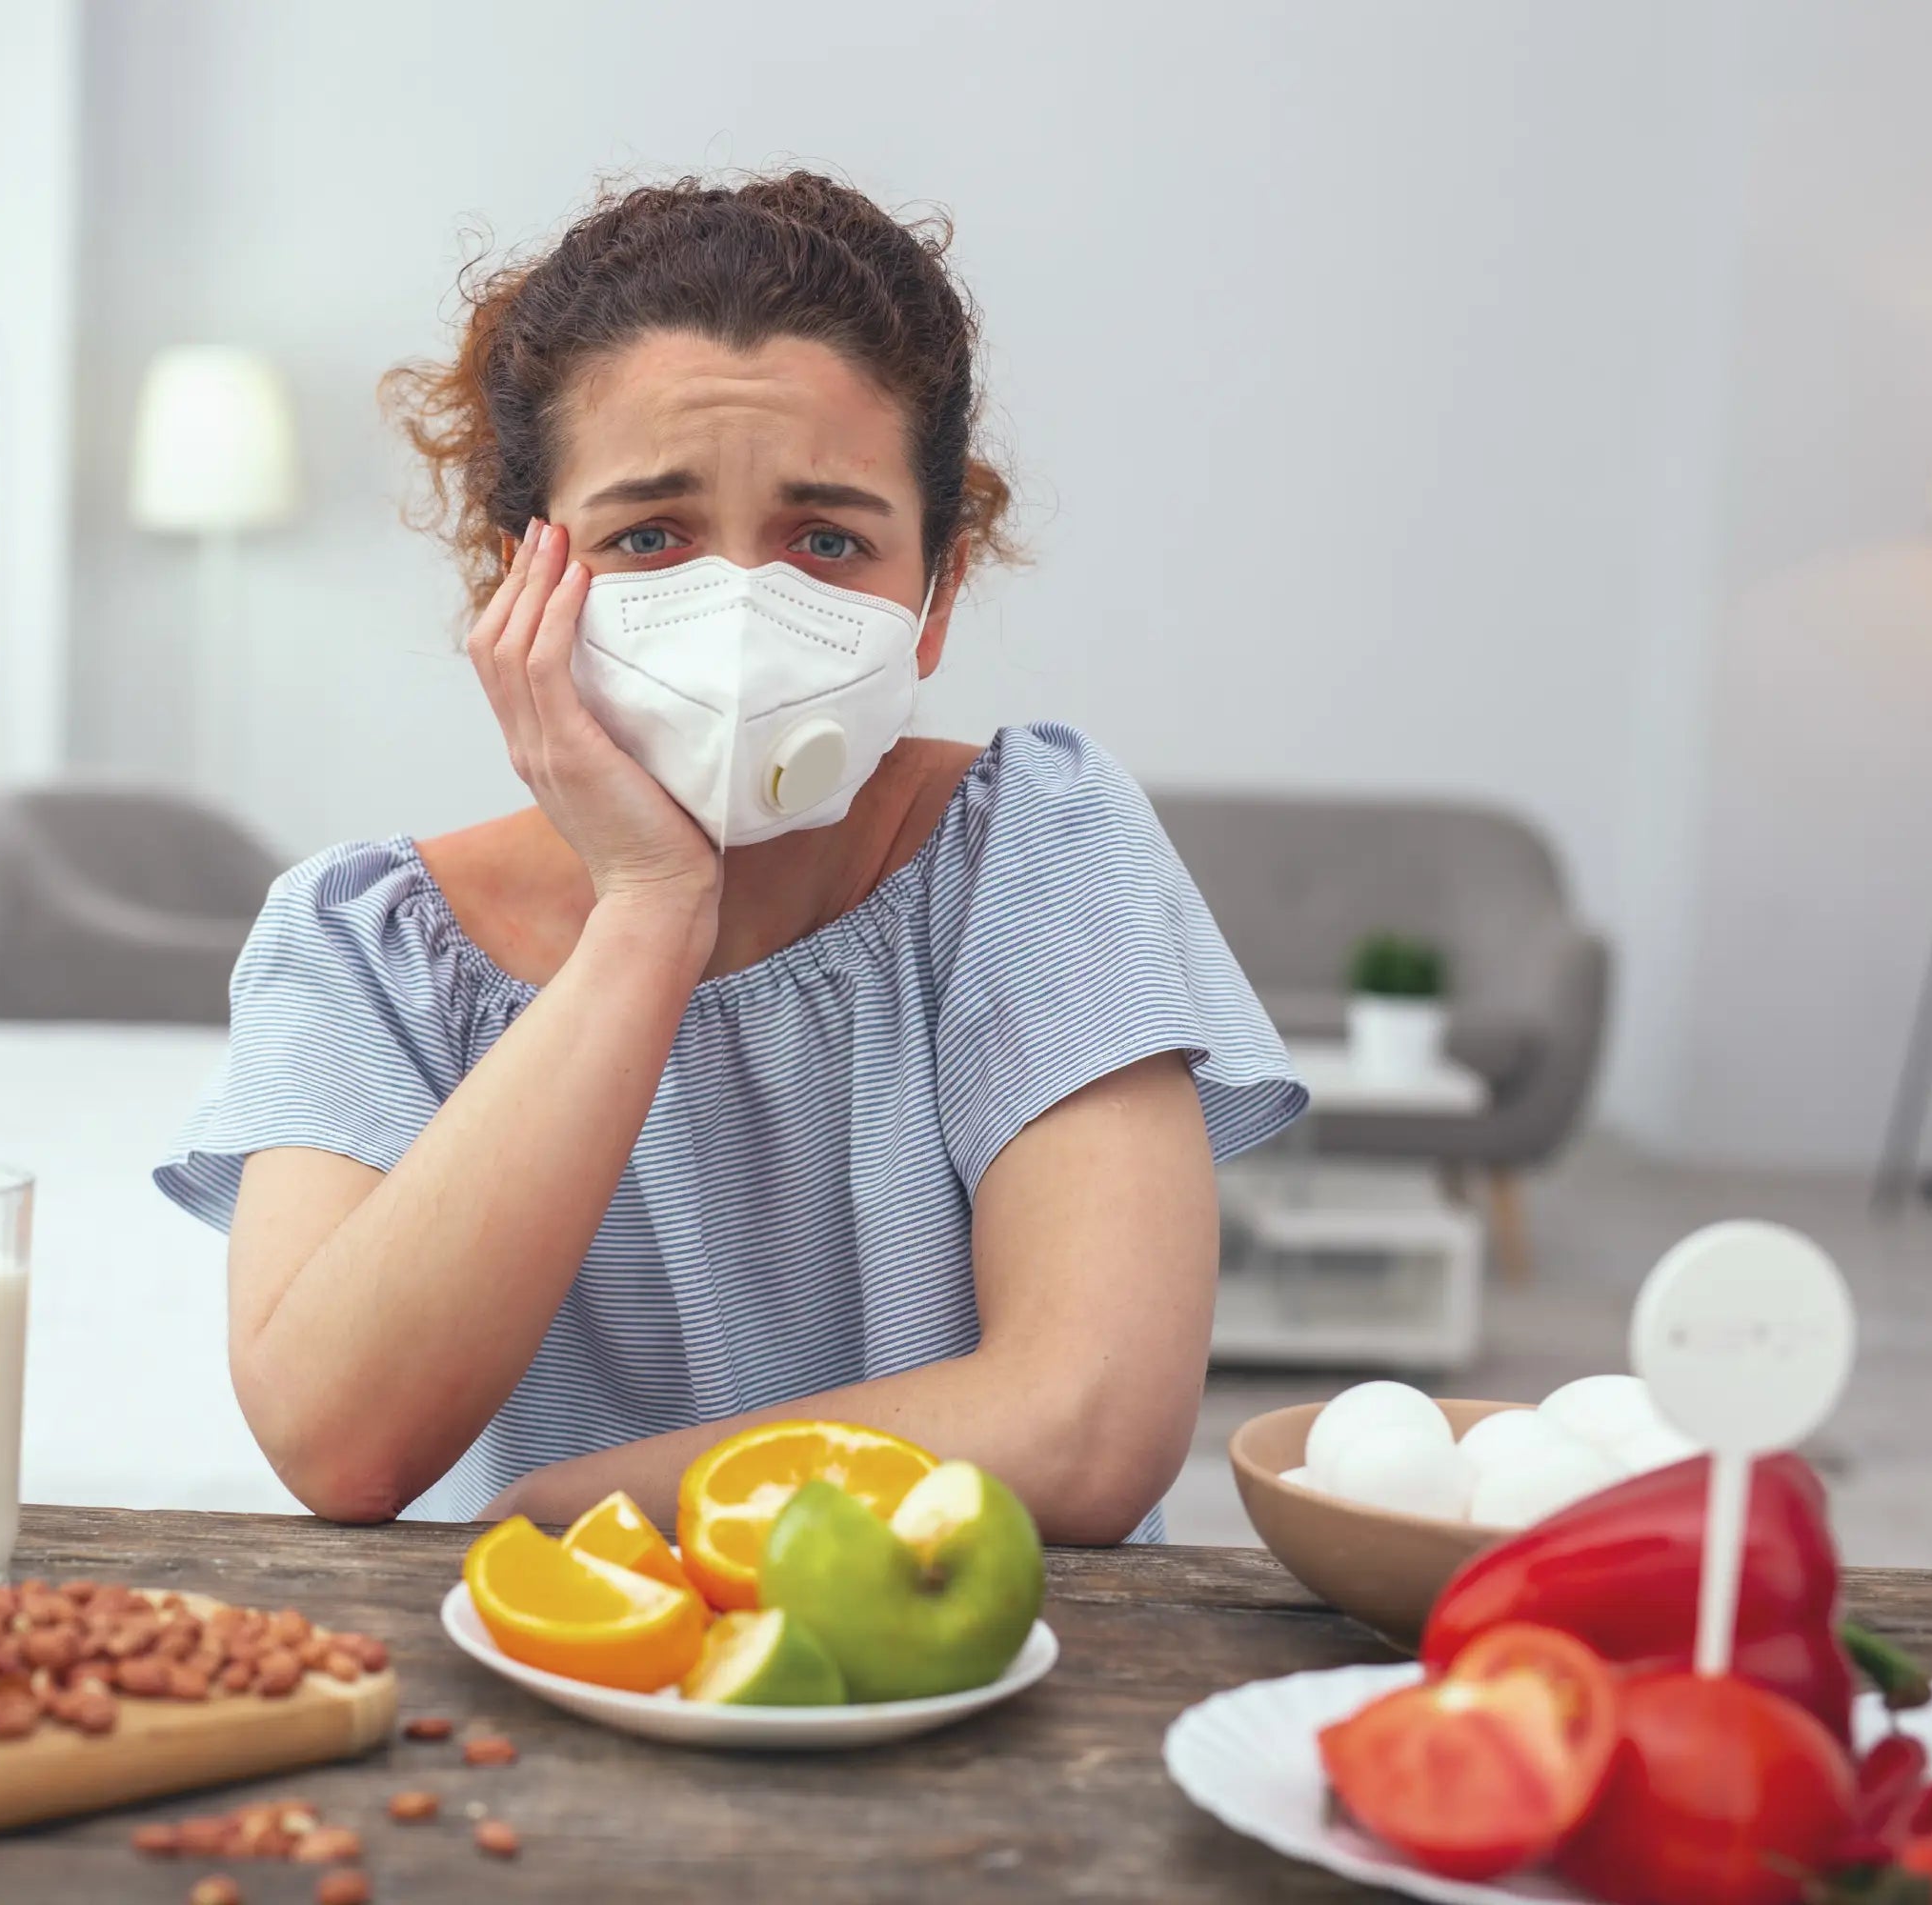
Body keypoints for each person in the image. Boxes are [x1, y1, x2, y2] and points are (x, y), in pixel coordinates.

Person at [156, 172, 1303, 1541]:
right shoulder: (362, 946)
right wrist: (650, 909)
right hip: (555, 1692)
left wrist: (584, 1503)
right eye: (652, 536)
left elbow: (1091, 1424)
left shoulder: (1029, 850)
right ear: (509, 584)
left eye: (827, 540)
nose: (751, 611)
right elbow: (339, 1441)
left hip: (983, 1691)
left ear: (933, 600)